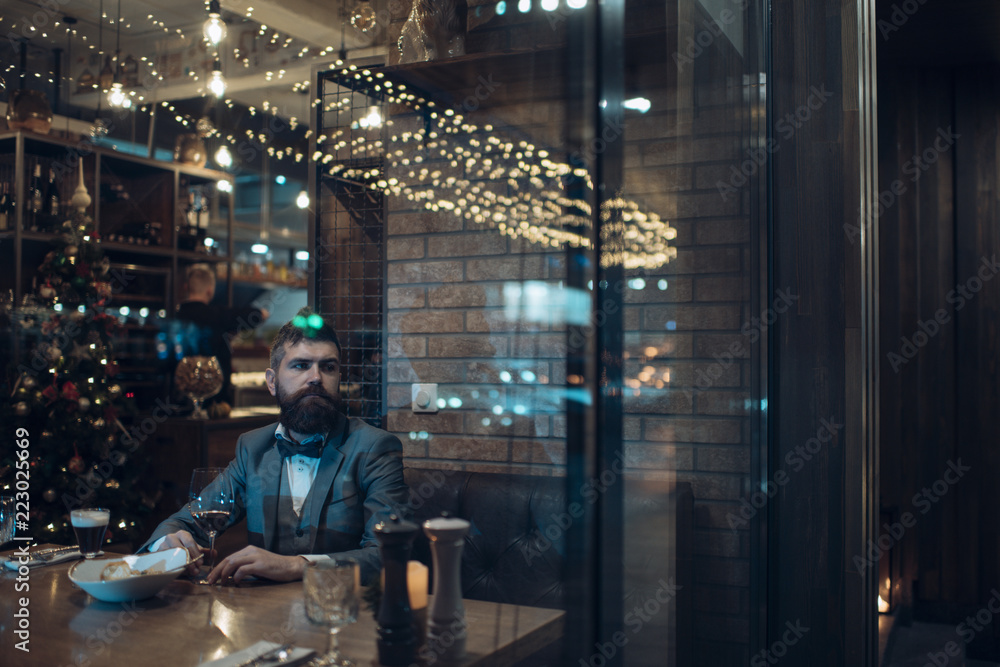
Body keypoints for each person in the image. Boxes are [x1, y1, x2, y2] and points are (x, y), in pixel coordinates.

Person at [141, 307, 410, 585]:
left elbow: (392, 554)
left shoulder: (375, 447)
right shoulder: (253, 448)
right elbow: (187, 521)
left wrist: (298, 566)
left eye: (328, 367)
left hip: (345, 616)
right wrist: (166, 543)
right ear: (272, 382)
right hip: (264, 617)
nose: (316, 377)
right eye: (300, 365)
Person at [174, 265, 269, 405]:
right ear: (210, 291)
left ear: (186, 287)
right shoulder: (218, 315)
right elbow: (259, 315)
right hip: (215, 401)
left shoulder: (175, 316)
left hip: (178, 397)